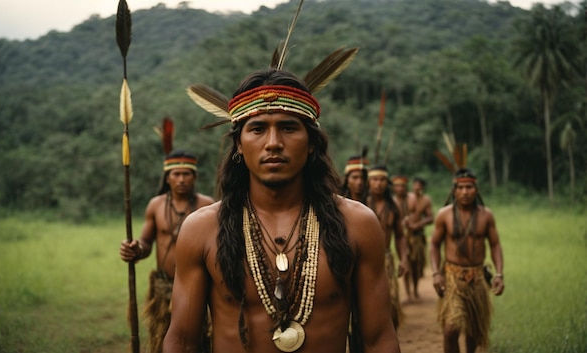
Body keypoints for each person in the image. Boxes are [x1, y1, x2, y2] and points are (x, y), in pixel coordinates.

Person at [163, 69, 400, 353]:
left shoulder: (357, 223)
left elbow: (379, 339)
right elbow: (182, 341)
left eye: (288, 128)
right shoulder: (201, 229)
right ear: (239, 144)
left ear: (311, 143)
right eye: (258, 128)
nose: (273, 142)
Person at [119, 150, 214, 353]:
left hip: (199, 286)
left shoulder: (208, 206)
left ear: (195, 177)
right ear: (167, 178)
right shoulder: (156, 205)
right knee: (163, 339)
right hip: (164, 286)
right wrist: (136, 249)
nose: (181, 179)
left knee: (200, 341)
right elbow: (146, 242)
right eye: (175, 174)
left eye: (186, 174)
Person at [429, 168, 505, 353]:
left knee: (473, 332)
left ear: (476, 189)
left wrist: (499, 274)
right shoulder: (444, 215)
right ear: (454, 190)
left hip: (477, 278)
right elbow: (434, 245)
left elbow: (495, 245)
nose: (464, 192)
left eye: (469, 187)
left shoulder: (486, 215)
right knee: (450, 329)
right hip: (453, 279)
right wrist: (436, 273)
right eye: (460, 188)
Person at [366, 165, 409, 330]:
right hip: (364, 260)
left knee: (391, 305)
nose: (379, 184)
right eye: (375, 179)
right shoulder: (360, 204)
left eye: (382, 179)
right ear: (369, 182)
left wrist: (404, 259)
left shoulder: (392, 207)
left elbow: (400, 236)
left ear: (387, 182)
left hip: (386, 260)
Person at [403, 176, 434, 301]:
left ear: (423, 187)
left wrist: (418, 225)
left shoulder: (426, 200)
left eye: (419, 185)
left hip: (418, 238)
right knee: (406, 263)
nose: (417, 187)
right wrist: (404, 222)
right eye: (415, 184)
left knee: (416, 266)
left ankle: (415, 291)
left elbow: (430, 218)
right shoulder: (406, 198)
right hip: (406, 237)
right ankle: (408, 294)